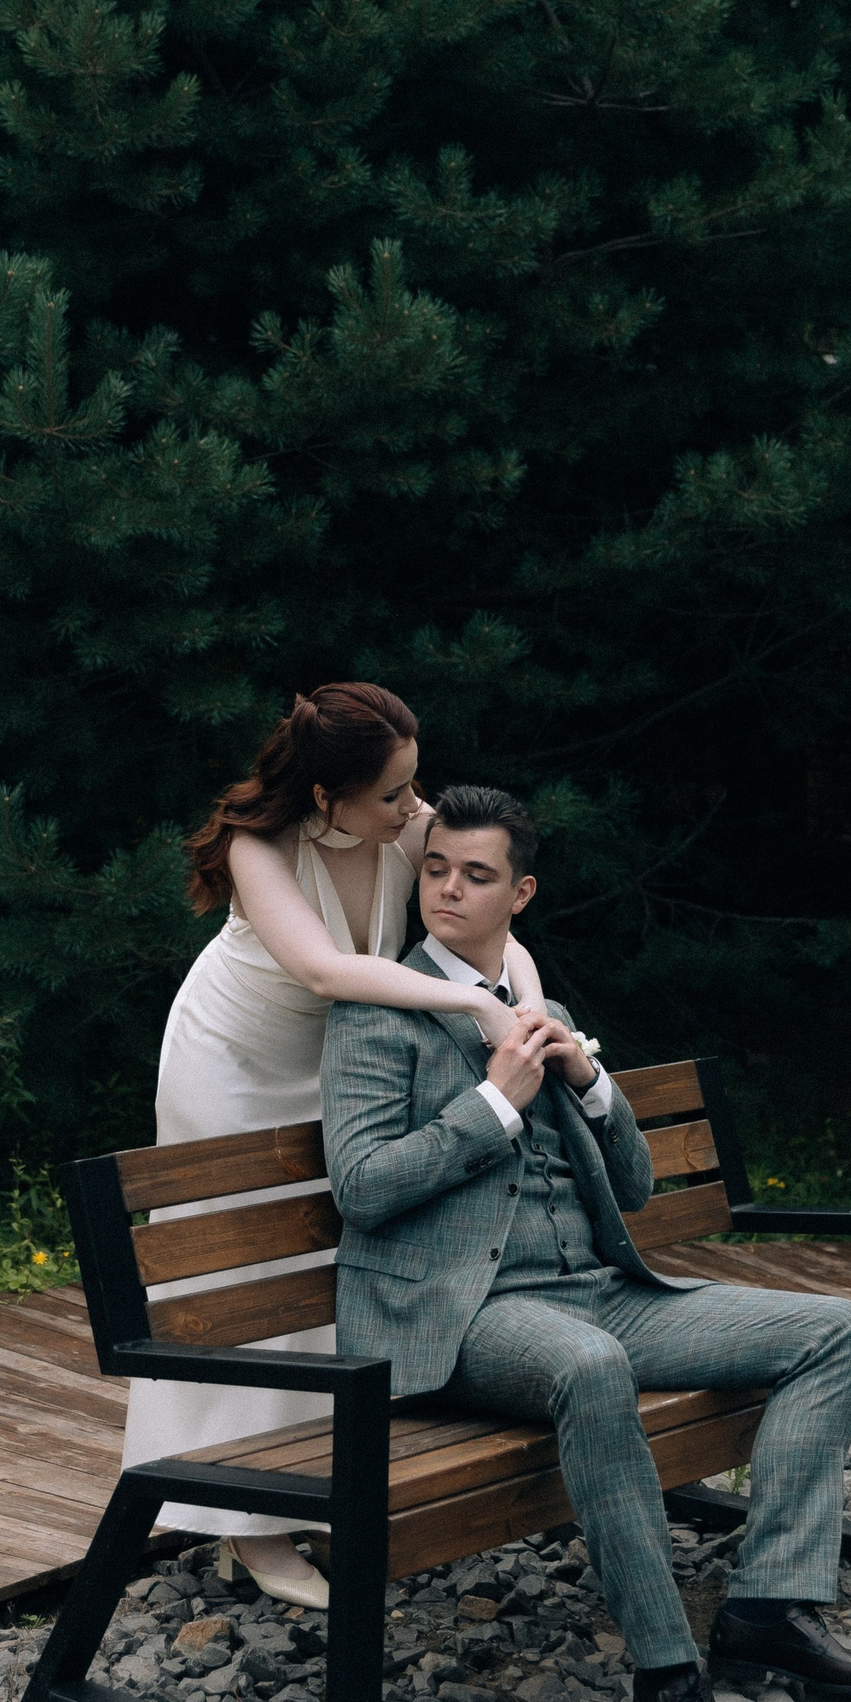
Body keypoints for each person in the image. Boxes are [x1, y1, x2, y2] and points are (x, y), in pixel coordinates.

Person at [321, 782, 851, 1702]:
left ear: (521, 893)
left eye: (477, 875)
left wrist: (589, 1083)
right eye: (437, 869)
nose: (448, 889)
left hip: (599, 1291)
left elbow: (634, 1187)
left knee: (836, 1331)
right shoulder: (378, 1013)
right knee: (592, 1370)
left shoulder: (539, 1009)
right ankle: (668, 1680)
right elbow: (363, 1189)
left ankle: (768, 1607)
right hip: (465, 1314)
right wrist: (494, 1103)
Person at [122, 685, 546, 1609]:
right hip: (232, 1066)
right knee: (240, 1280)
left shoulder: (400, 824)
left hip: (331, 1064)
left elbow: (498, 923)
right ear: (327, 797)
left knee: (327, 1262)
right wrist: (474, 1004)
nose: (414, 807)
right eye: (394, 793)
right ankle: (244, 1524)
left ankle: (303, 1480)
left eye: (413, 784)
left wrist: (526, 1000)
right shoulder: (259, 848)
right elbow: (321, 970)